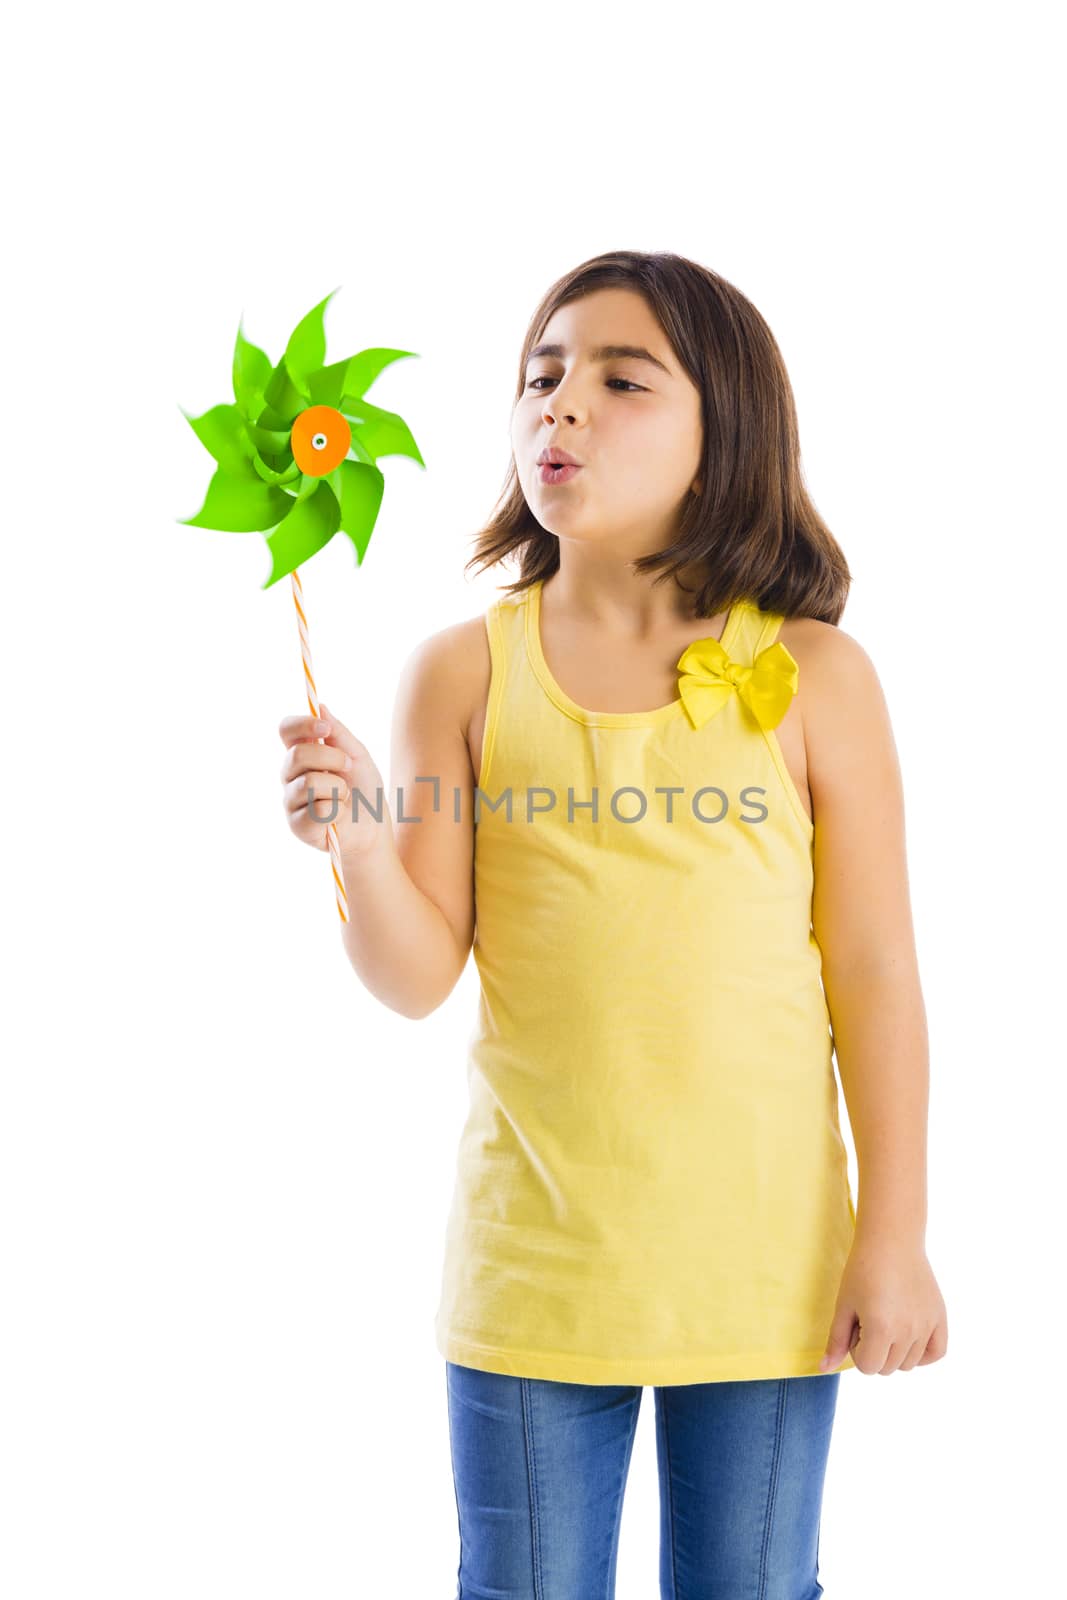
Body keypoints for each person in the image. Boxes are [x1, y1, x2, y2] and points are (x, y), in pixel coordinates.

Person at [278, 250, 948, 1598]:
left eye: (618, 377)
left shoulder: (816, 675)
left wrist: (896, 1233)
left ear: (727, 433)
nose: (560, 405)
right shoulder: (465, 670)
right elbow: (418, 978)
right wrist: (357, 832)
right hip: (534, 1268)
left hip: (766, 1267)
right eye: (540, 375)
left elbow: (875, 971)